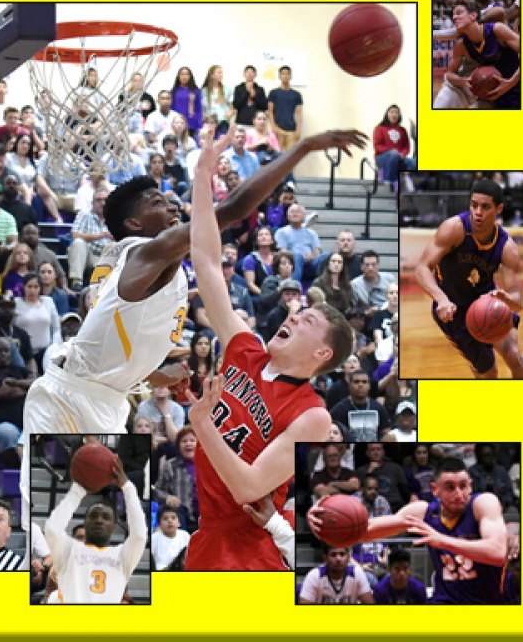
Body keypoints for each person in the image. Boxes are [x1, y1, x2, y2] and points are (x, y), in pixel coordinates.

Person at [22, 124, 354, 550]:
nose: (173, 204)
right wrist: (301, 148)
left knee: (106, 532)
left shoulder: (160, 270)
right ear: (134, 223)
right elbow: (232, 209)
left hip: (109, 400)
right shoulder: (148, 251)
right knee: (42, 536)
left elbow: (116, 347)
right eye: (158, 202)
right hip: (65, 395)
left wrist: (159, 376)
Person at [183, 126, 367, 570]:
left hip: (252, 552)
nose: (291, 317)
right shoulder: (245, 348)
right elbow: (207, 262)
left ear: (323, 354)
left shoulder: (314, 415)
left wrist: (202, 426)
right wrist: (202, 176)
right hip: (208, 535)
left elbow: (248, 488)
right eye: (295, 313)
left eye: (305, 321)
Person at [310, 456, 508, 604]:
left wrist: (442, 541)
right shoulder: (424, 512)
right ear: (434, 489)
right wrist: (322, 521)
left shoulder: (483, 503)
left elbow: (497, 552)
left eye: (463, 486)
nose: (458, 494)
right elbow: (363, 530)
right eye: (450, 487)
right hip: (445, 602)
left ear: (470, 486)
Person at [414, 179, 523, 379]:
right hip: (454, 311)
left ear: (499, 209)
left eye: (485, 207)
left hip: (487, 306)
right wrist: (441, 299)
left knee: (515, 357)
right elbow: (422, 267)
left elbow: (518, 303)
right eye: (474, 205)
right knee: (489, 372)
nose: (478, 211)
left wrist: (506, 299)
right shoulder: (454, 229)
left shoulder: (507, 248)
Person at [43, 456, 147, 603]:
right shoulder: (69, 550)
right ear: (84, 523)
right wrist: (77, 490)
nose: (99, 520)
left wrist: (127, 487)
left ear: (114, 526)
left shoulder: (123, 556)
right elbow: (52, 529)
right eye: (93, 516)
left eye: (105, 517)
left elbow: (140, 535)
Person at [446, 0, 520, 110]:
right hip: (496, 90)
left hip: (518, 82)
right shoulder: (462, 44)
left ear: (473, 15)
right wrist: (464, 81)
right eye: (453, 15)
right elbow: (449, 74)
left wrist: (510, 83)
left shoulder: (497, 29)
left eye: (459, 13)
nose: (454, 17)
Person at [152, 426, 200, 533]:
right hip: (181, 512)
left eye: (192, 440)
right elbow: (157, 491)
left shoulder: (208, 464)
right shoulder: (170, 465)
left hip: (205, 512)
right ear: (178, 446)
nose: (188, 444)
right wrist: (167, 497)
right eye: (184, 441)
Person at [67, 187, 113, 291]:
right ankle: (76, 281)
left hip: (108, 255)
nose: (102, 203)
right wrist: (100, 235)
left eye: (105, 200)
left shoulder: (116, 217)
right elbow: (75, 235)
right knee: (78, 243)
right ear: (92, 203)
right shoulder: (84, 214)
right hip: (89, 255)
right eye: (98, 200)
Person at [298, 546, 374, 604]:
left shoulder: (357, 573)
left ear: (348, 558)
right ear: (325, 559)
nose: (338, 559)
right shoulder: (314, 575)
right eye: (333, 555)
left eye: (342, 554)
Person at [330, 370, 391, 440]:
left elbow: (386, 433)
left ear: (369, 386)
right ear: (349, 386)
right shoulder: (338, 410)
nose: (360, 385)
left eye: (364, 382)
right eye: (356, 382)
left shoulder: (379, 408)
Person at [274, 203, 326, 283]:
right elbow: (282, 252)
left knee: (327, 255)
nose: (295, 213)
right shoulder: (281, 232)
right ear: (287, 216)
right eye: (292, 212)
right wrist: (299, 256)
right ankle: (293, 285)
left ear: (304, 216)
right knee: (298, 256)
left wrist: (311, 257)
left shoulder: (312, 233)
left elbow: (317, 253)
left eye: (298, 211)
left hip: (310, 264)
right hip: (292, 264)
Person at [355, 443, 410, 513]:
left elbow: (406, 489)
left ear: (383, 452)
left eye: (378, 449)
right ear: (367, 453)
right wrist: (369, 471)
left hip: (396, 506)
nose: (376, 452)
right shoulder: (361, 471)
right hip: (373, 507)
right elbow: (359, 493)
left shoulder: (395, 468)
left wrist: (412, 495)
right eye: (372, 450)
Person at [373, 104, 416, 184]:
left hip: (399, 157)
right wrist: (392, 151)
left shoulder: (402, 130)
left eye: (396, 113)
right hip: (382, 157)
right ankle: (388, 181)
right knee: (393, 155)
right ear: (387, 114)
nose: (394, 115)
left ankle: (408, 185)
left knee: (414, 163)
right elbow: (377, 146)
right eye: (392, 112)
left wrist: (403, 154)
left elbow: (406, 146)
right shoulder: (379, 128)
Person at [350, 250, 397, 318]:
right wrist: (367, 313)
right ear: (361, 267)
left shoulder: (390, 278)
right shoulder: (355, 284)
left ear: (378, 265)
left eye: (373, 265)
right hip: (367, 317)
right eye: (367, 265)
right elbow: (355, 309)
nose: (370, 268)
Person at [267, 65, 303, 151]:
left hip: (291, 131)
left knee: (290, 158)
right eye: (283, 74)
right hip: (278, 129)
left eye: (287, 74)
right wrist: (273, 127)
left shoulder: (296, 95)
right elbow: (270, 112)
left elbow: (298, 114)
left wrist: (298, 130)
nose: (285, 76)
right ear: (279, 76)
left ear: (291, 76)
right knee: (278, 158)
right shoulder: (273, 93)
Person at [151, 505, 190, 571]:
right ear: (159, 525)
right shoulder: (154, 538)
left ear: (179, 523)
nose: (170, 521)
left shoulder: (185, 535)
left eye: (173, 518)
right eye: (165, 519)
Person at [201, 65, 234, 137]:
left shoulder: (227, 89)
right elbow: (201, 108)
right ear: (212, 75)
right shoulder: (204, 91)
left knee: (222, 141)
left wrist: (229, 113)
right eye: (219, 73)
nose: (221, 75)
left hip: (223, 122)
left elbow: (232, 107)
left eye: (222, 73)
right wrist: (205, 116)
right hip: (209, 122)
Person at [170, 66, 203, 139]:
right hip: (178, 125)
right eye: (182, 74)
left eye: (187, 74)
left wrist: (198, 122)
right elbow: (171, 109)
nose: (184, 77)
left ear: (190, 76)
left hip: (192, 124)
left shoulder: (196, 91)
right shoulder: (174, 91)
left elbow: (199, 109)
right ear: (178, 76)